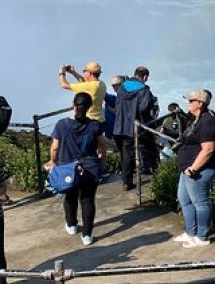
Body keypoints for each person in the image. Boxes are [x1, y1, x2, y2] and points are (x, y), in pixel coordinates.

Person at [45, 92, 106, 246]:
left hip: (67, 168)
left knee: (70, 197)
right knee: (88, 200)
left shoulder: (62, 124)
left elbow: (55, 147)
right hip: (89, 168)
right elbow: (102, 146)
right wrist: (102, 162)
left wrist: (53, 161)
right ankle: (87, 235)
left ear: (73, 105)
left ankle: (71, 225)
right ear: (89, 107)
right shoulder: (94, 125)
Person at [174, 90, 215, 247]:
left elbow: (208, 149)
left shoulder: (207, 121)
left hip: (198, 170)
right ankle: (191, 233)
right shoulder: (196, 119)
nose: (188, 103)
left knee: (200, 203)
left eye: (191, 101)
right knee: (185, 200)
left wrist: (193, 169)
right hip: (187, 168)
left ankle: (202, 236)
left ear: (199, 103)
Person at [113, 67, 157, 191]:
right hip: (137, 126)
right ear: (145, 77)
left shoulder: (122, 88)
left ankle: (126, 182)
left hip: (120, 126)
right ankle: (156, 175)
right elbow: (143, 108)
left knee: (127, 155)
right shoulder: (144, 90)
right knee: (151, 149)